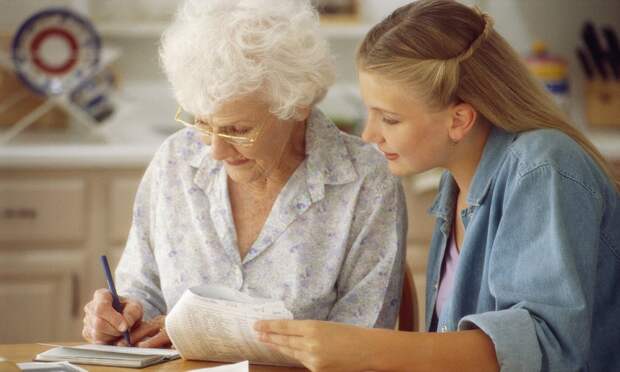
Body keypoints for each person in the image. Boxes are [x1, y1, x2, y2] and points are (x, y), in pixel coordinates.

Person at [254, 1, 620, 371]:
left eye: (390, 119)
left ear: (459, 120)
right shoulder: (455, 188)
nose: (369, 135)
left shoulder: (543, 168)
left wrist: (367, 348)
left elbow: (544, 347)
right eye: (370, 113)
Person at [81, 0, 407, 349]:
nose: (216, 152)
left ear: (297, 105)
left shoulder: (365, 182)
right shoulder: (175, 159)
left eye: (237, 129)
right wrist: (119, 319)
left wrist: (213, 334)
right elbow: (142, 289)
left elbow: (362, 342)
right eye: (203, 124)